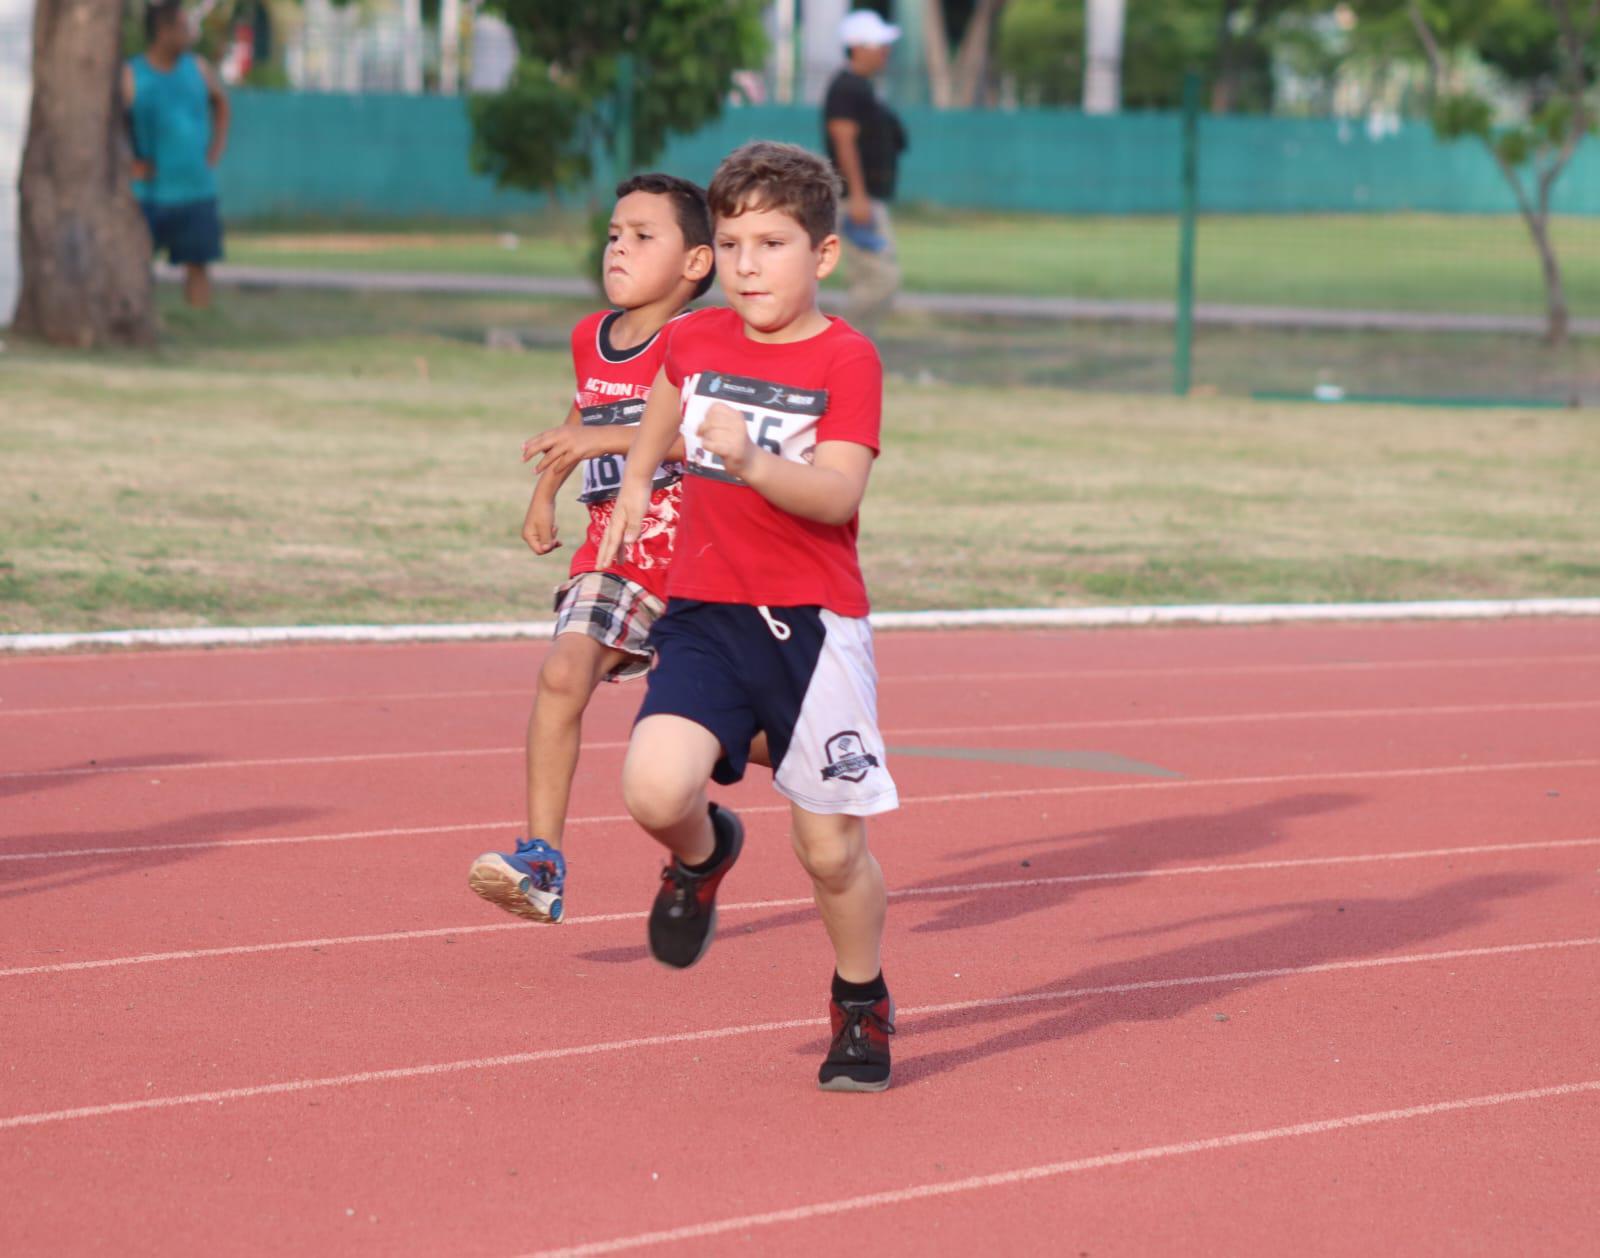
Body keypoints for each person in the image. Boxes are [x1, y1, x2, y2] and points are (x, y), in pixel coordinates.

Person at [597, 141, 900, 1092]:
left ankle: (862, 1003)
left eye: (772, 244)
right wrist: (643, 480)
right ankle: (704, 852)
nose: (748, 266)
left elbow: (836, 493)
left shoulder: (848, 358)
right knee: (652, 790)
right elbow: (665, 396)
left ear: (824, 255)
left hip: (814, 627)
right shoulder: (697, 339)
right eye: (730, 245)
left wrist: (752, 462)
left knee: (829, 849)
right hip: (705, 616)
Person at [467, 173, 715, 925]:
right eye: (614, 234)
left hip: (701, 565)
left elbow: (693, 438)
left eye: (644, 237)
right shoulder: (591, 336)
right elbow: (582, 413)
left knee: (747, 735)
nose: (619, 249)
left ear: (697, 263)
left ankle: (742, 824)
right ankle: (542, 860)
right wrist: (544, 493)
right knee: (561, 674)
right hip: (615, 556)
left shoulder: (700, 341)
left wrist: (602, 437)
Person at [123, 0, 230, 309]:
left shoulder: (198, 68)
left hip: (195, 189)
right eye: (183, 28)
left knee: (198, 264)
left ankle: (199, 324)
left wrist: (214, 151)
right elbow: (113, 126)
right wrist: (130, 162)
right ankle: (140, 322)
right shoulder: (132, 74)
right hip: (149, 193)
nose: (190, 34)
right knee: (137, 264)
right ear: (163, 31)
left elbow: (222, 106)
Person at [823, 8, 908, 335]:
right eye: (879, 44)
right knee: (881, 278)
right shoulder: (847, 88)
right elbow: (844, 140)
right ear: (858, 47)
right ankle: (838, 342)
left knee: (870, 278)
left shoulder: (863, 87)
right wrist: (857, 196)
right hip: (858, 200)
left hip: (867, 197)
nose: (886, 51)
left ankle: (849, 348)